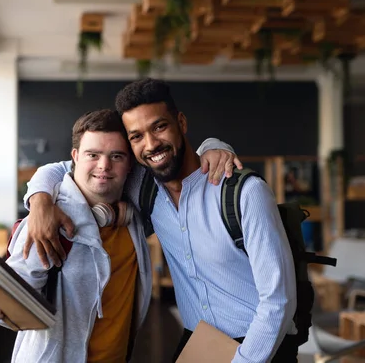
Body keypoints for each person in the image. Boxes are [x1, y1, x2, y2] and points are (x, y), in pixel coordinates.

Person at [24, 78, 298, 362]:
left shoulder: (243, 192)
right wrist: (40, 200)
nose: (151, 144)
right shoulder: (144, 187)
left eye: (159, 126)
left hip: (263, 344)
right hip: (199, 342)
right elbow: (73, 166)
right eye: (137, 136)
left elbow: (279, 300)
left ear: (181, 122)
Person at [0, 109, 154, 362]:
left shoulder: (131, 218)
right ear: (75, 156)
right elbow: (15, 300)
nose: (104, 166)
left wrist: (214, 147)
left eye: (116, 156)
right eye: (93, 154)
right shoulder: (46, 223)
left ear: (129, 163)